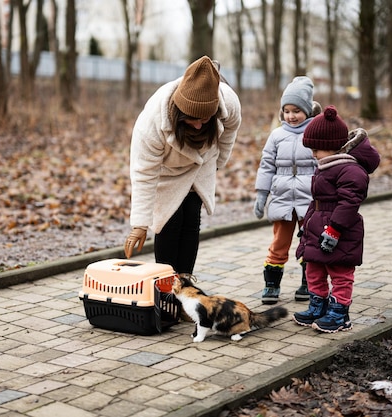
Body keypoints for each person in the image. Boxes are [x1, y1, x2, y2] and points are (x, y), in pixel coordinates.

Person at [123, 56, 242, 275]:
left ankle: (185, 284)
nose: (198, 125)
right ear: (180, 111)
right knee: (169, 222)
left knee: (190, 220)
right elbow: (143, 173)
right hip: (168, 171)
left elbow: (231, 129)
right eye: (192, 119)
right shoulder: (152, 121)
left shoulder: (228, 101)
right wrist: (139, 224)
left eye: (205, 119)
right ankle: (166, 285)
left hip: (202, 164)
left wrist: (219, 161)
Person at [293, 105, 381, 333]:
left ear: (331, 147)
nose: (312, 153)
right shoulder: (326, 166)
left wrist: (334, 230)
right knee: (313, 269)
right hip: (318, 227)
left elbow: (349, 203)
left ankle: (339, 313)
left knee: (340, 273)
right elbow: (318, 201)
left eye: (316, 149)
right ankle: (317, 306)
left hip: (339, 231)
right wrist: (307, 224)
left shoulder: (350, 170)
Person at [254, 76, 321, 305]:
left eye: (297, 111)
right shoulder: (276, 135)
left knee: (310, 243)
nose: (291, 116)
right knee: (279, 244)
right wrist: (262, 195)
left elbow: (323, 165)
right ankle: (271, 285)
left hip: (309, 201)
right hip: (282, 199)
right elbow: (266, 165)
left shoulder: (315, 134)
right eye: (287, 111)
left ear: (307, 111)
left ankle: (308, 283)